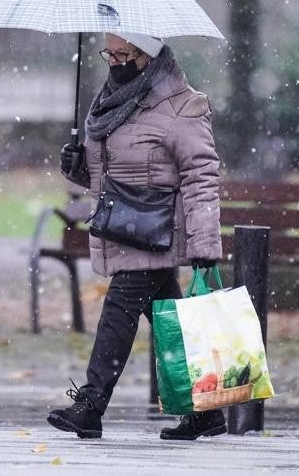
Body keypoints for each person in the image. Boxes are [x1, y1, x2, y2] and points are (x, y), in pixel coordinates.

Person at [48, 32, 225, 441]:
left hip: (158, 229)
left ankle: (90, 405)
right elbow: (104, 172)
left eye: (123, 53)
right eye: (109, 52)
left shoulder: (183, 106)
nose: (114, 60)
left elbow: (201, 177)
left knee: (119, 308)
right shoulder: (112, 100)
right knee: (171, 323)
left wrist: (203, 246)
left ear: (148, 55)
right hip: (124, 225)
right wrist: (75, 166)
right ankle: (204, 412)